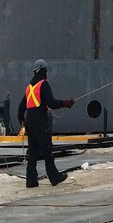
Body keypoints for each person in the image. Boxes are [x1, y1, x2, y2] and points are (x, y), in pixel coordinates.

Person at [18, 59, 75, 188]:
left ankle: (31, 181)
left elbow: (21, 108)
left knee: (32, 153)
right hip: (40, 122)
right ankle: (54, 177)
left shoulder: (29, 88)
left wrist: (22, 121)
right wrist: (66, 103)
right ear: (44, 71)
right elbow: (51, 103)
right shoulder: (43, 84)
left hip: (30, 123)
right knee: (47, 150)